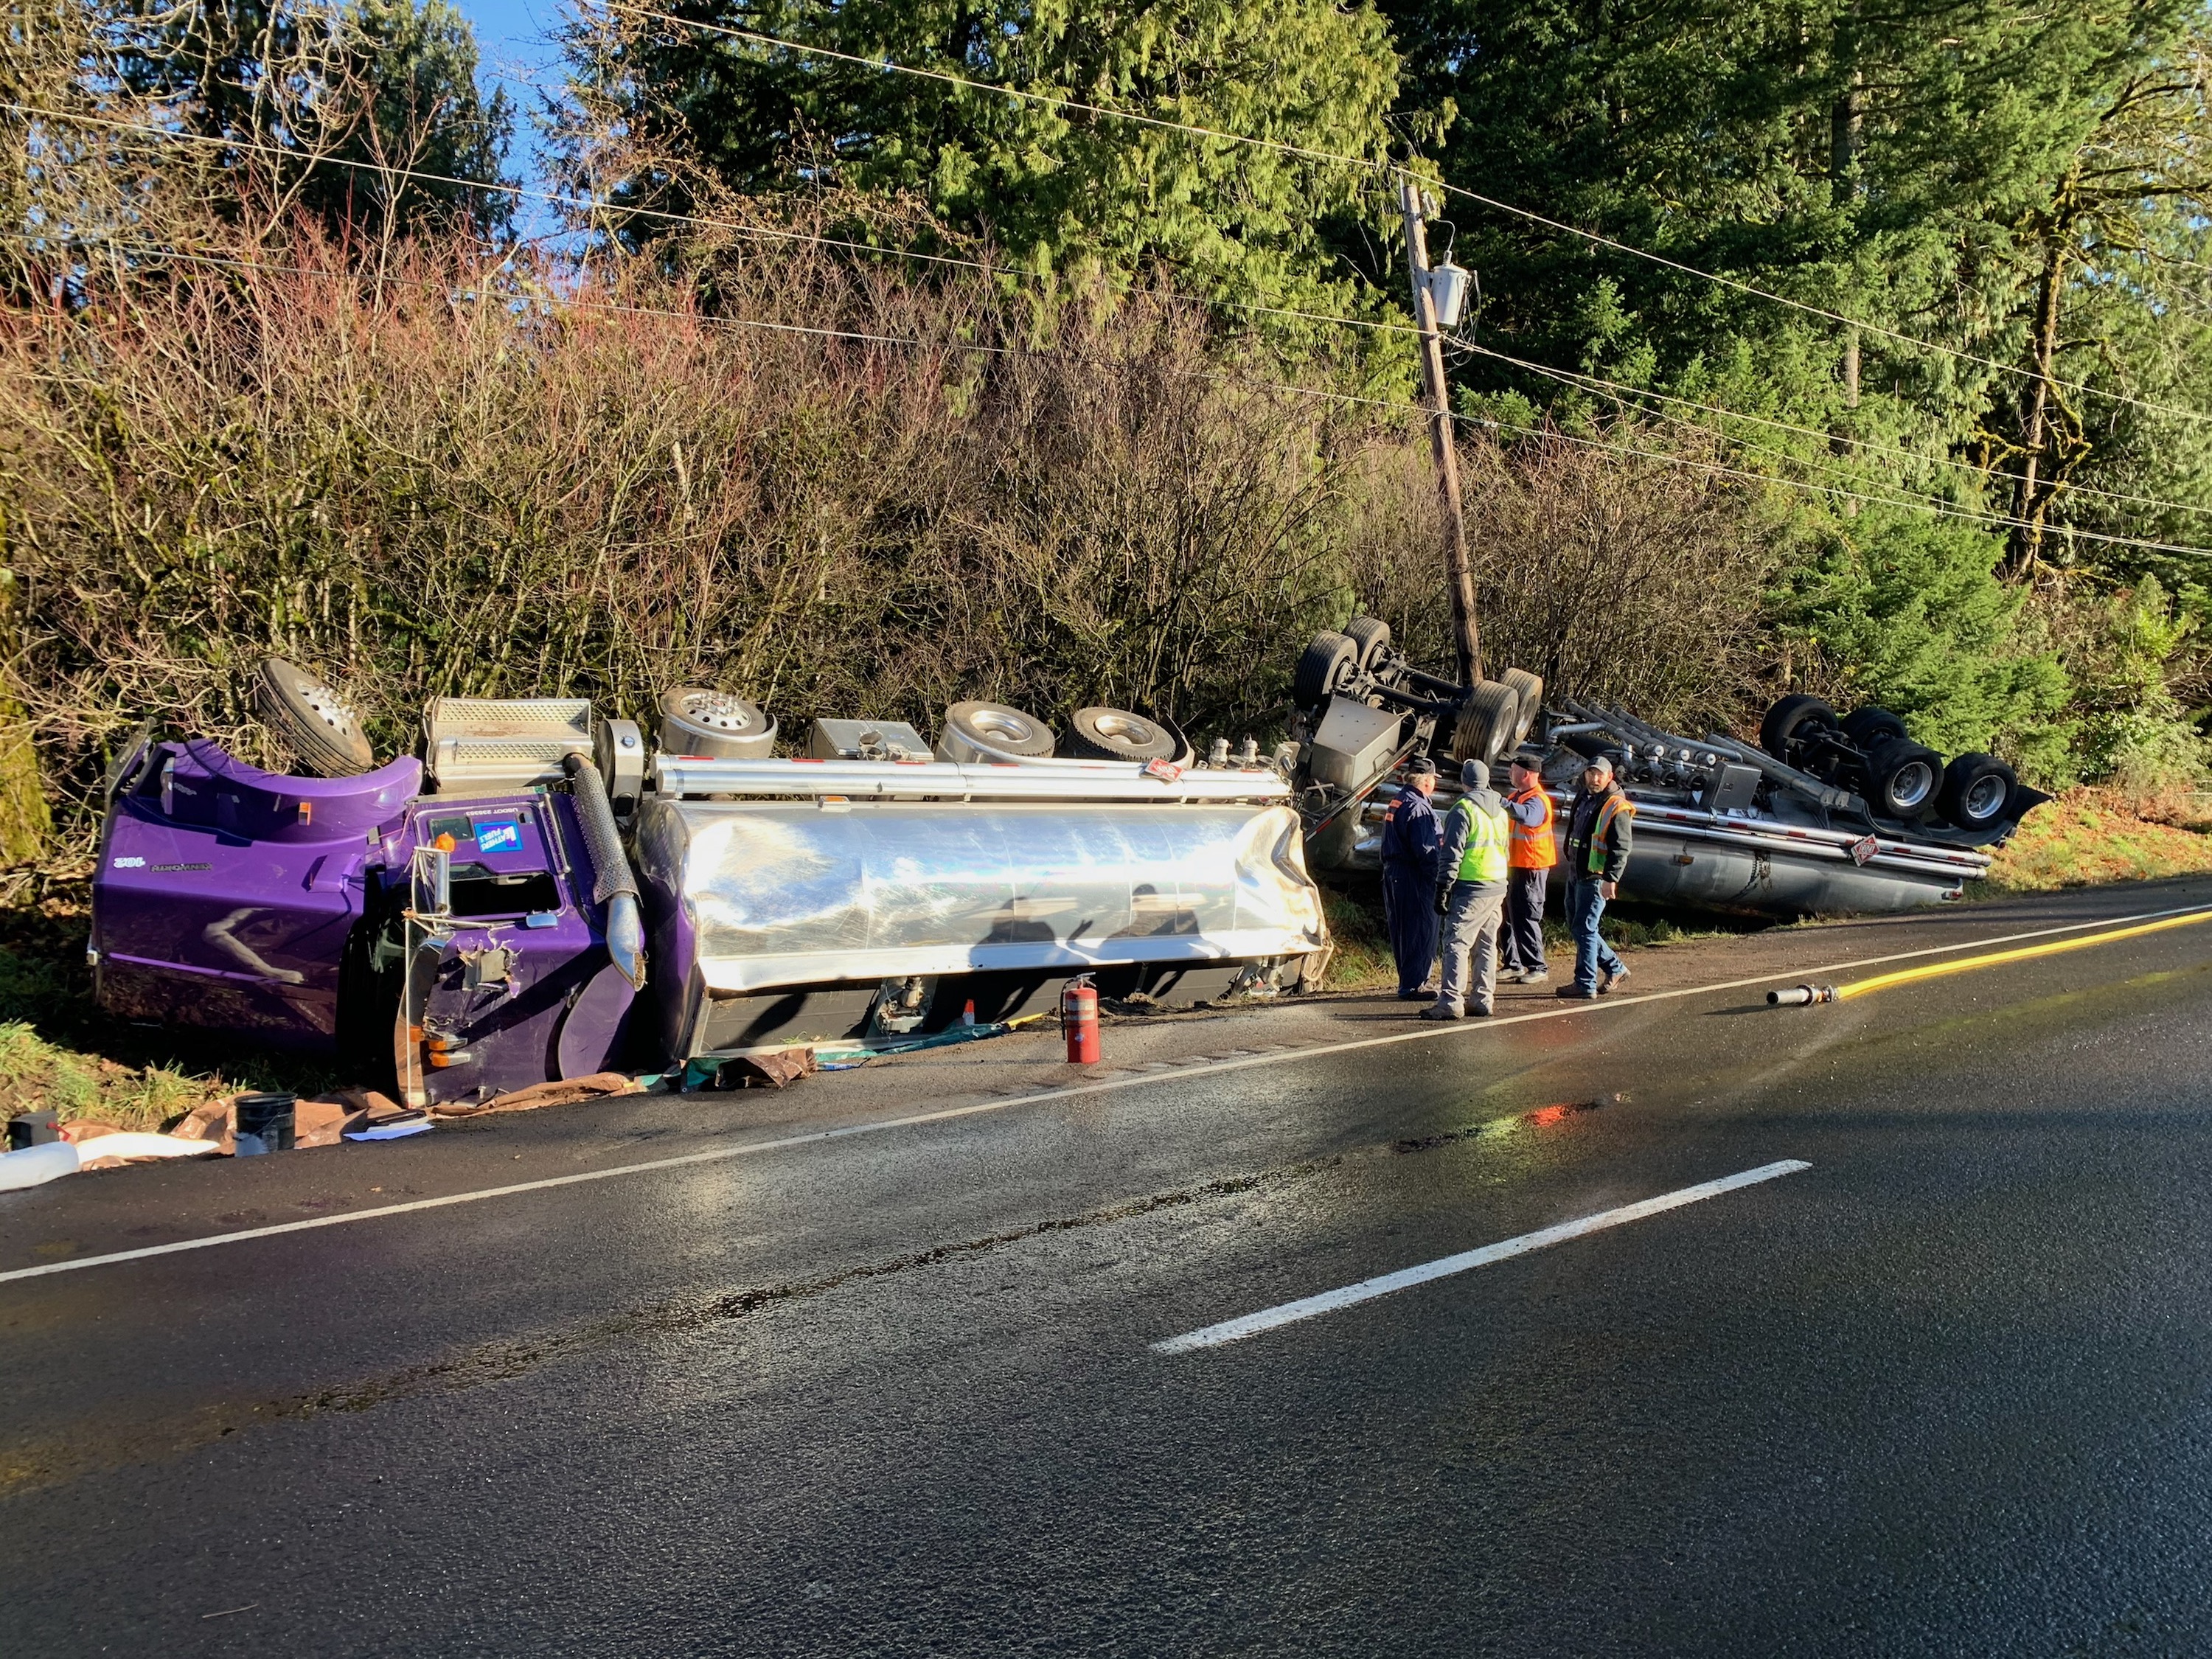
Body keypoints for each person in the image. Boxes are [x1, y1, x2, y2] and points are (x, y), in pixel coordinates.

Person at [1422, 757, 1510, 1020]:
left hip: (1471, 887)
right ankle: (1482, 999)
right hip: (1497, 886)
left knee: (1456, 943)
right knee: (1486, 944)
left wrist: (1442, 889)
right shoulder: (1501, 811)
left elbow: (1451, 856)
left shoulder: (1462, 810)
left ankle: (1450, 1001)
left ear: (1464, 782)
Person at [1557, 752, 1635, 1001]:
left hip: (1596, 876)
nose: (1594, 778)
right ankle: (1614, 967)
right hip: (1577, 871)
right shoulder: (1584, 795)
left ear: (1609, 776)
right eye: (1591, 773)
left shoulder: (1616, 805)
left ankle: (1585, 983)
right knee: (1578, 926)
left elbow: (1622, 847)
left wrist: (1611, 879)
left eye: (1599, 774)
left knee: (1585, 928)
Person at [1377, 756, 1443, 1000]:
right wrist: (1439, 882)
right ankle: (1414, 984)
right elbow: (1426, 851)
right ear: (1426, 781)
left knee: (1403, 929)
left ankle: (1409, 979)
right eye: (1433, 780)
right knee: (1420, 928)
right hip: (1414, 876)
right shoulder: (1418, 807)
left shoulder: (1399, 800)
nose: (1434, 784)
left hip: (1395, 874)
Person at [1499, 749, 1555, 984]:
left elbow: (1528, 818)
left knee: (1526, 917)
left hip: (1532, 868)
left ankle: (1537, 967)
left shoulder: (1537, 801)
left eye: (1514, 770)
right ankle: (1513, 964)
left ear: (1528, 774)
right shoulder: (1516, 797)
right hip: (1514, 866)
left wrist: (1499, 802)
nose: (1510, 773)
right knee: (1508, 917)